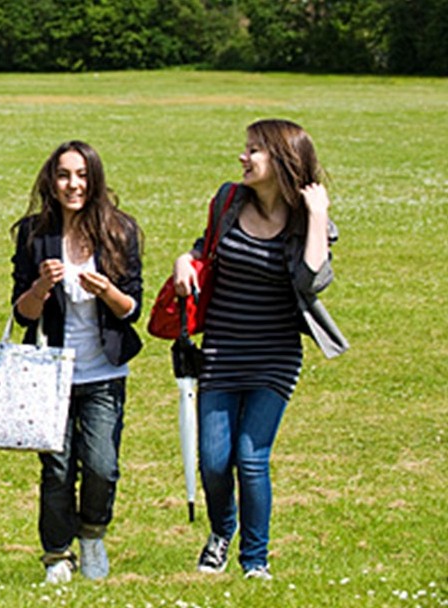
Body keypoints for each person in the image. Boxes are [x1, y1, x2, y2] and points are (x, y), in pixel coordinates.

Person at [171, 119, 348, 581]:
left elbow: (312, 280)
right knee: (212, 461)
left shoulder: (310, 220)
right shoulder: (229, 201)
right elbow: (202, 247)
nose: (243, 158)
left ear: (283, 160)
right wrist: (182, 262)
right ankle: (221, 532)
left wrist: (315, 212)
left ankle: (256, 559)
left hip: (275, 358)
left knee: (251, 457)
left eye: (254, 151)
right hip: (221, 355)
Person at [10, 141, 144, 583]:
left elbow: (132, 309)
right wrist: (40, 288)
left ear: (95, 179)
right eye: (65, 175)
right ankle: (56, 555)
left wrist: (107, 290)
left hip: (104, 371)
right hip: (51, 372)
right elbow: (21, 313)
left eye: (82, 175)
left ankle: (92, 535)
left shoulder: (120, 231)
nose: (74, 184)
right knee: (57, 468)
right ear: (52, 180)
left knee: (102, 465)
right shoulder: (34, 233)